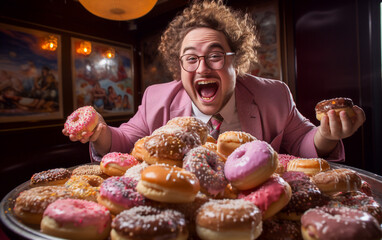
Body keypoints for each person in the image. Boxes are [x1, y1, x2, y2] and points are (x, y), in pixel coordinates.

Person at [63, 0, 365, 163]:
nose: (202, 67)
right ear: (179, 67)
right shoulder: (157, 98)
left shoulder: (274, 95)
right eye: (191, 58)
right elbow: (126, 141)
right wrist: (100, 133)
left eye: (215, 56)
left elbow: (302, 142)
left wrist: (327, 134)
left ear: (237, 62)